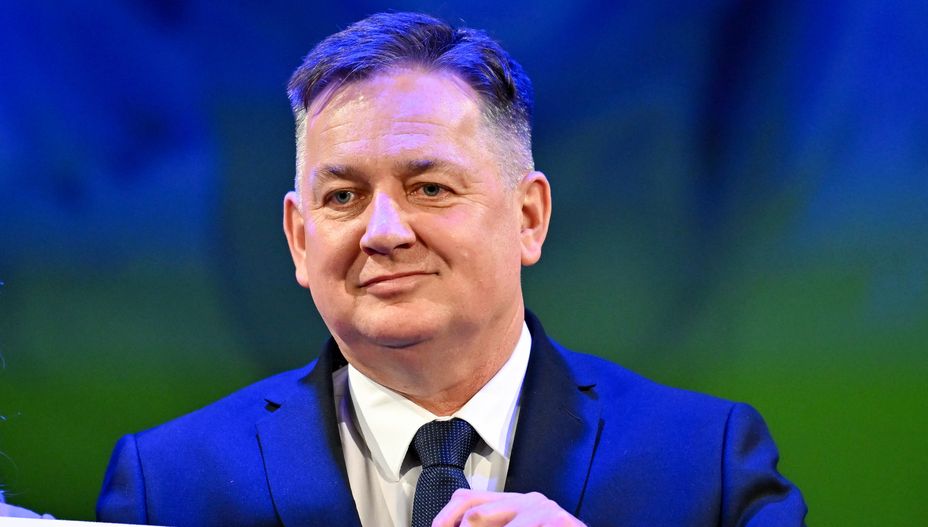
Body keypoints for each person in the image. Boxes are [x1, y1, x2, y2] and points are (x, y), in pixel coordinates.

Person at [97, 12, 806, 526]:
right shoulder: (167, 484)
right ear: (299, 238)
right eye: (342, 197)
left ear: (529, 216)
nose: (383, 232)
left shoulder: (707, 463)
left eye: (429, 188)